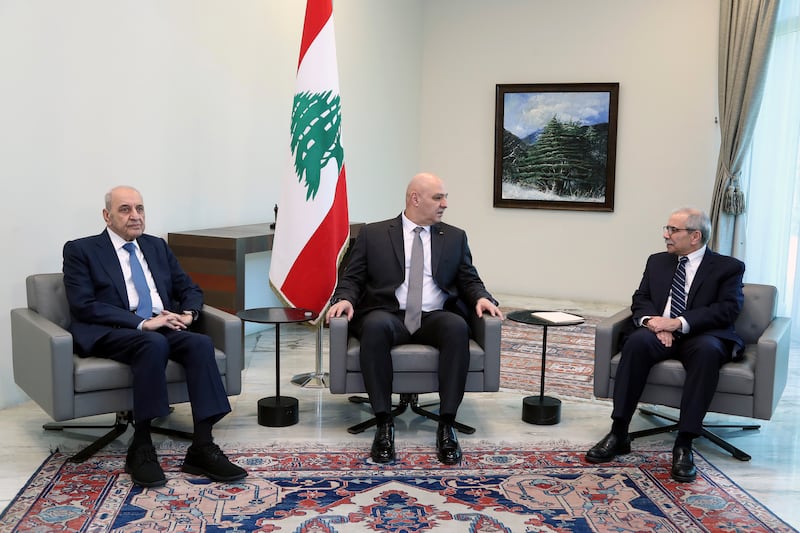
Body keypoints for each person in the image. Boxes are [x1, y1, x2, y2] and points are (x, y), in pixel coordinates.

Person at [62, 186, 247, 487]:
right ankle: (142, 445)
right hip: (115, 331)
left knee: (200, 343)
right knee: (152, 341)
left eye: (139, 208)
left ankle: (202, 446)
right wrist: (140, 323)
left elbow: (190, 288)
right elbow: (84, 305)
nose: (135, 216)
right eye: (125, 209)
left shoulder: (156, 247)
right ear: (107, 216)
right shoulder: (81, 250)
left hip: (161, 325)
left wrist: (189, 314)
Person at [326, 172, 503, 465]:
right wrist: (343, 298)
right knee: (374, 327)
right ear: (415, 198)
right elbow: (352, 278)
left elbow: (469, 278)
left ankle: (446, 424)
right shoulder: (374, 234)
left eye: (445, 197)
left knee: (457, 327)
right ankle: (384, 423)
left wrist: (482, 297)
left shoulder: (455, 236)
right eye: (438, 197)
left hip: (435, 316)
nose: (445, 204)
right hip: (389, 314)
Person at [585, 207, 745, 482]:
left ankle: (684, 442)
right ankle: (619, 431)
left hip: (700, 334)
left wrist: (678, 323)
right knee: (635, 344)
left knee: (708, 352)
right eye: (666, 228)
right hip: (659, 330)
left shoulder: (727, 267)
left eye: (673, 230)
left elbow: (727, 310)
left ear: (695, 236)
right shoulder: (657, 261)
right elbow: (641, 298)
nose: (665, 235)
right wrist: (653, 323)